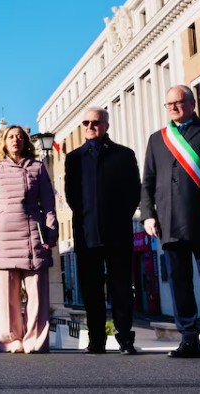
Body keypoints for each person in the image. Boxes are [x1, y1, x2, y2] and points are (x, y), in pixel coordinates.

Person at [139, 85, 200, 360]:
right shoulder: (157, 139)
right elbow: (147, 182)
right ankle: (189, 338)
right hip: (168, 222)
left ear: (193, 103)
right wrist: (147, 214)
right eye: (169, 104)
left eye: (180, 102)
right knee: (179, 283)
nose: (174, 107)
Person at [64, 106, 140, 355]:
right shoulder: (74, 158)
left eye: (95, 122)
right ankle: (96, 340)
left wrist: (118, 218)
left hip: (117, 232)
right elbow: (72, 196)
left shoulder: (124, 155)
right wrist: (88, 219)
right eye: (85, 123)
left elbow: (133, 193)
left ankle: (125, 339)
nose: (90, 126)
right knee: (91, 290)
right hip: (86, 234)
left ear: (106, 125)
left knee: (121, 288)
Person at [0, 124, 58, 354]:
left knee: (37, 293)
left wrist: (51, 231)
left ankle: (35, 340)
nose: (15, 140)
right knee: (6, 296)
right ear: (3, 142)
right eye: (10, 137)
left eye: (20, 137)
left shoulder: (38, 167)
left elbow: (49, 204)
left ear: (26, 141)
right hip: (3, 235)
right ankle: (11, 340)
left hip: (33, 234)